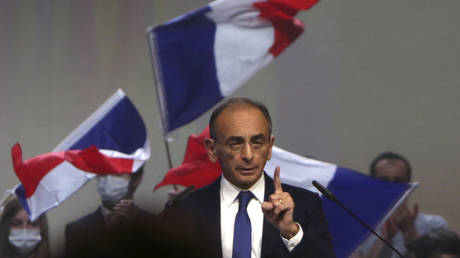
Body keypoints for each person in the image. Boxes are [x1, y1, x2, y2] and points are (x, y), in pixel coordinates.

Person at [165, 97, 335, 258]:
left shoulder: (305, 206)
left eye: (257, 143)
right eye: (235, 143)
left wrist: (290, 232)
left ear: (269, 147)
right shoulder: (183, 212)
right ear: (212, 149)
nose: (248, 155)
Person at [357, 152, 448, 258]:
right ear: (372, 184)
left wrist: (410, 232)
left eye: (398, 181)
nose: (392, 187)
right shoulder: (358, 227)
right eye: (384, 181)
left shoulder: (434, 226)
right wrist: (383, 239)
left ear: (409, 186)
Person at [65, 167, 153, 257]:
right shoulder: (77, 231)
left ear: (136, 180)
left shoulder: (154, 226)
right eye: (103, 174)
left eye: (117, 174)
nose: (108, 180)